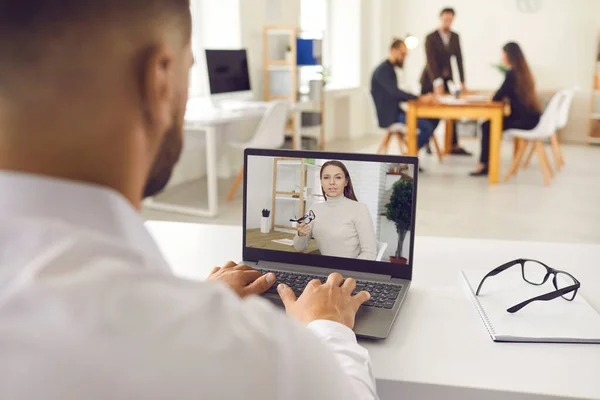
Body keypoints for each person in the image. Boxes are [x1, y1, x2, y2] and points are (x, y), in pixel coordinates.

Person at [0, 1, 377, 399]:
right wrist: (330, 327)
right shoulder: (266, 359)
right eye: (189, 68)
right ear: (159, 81)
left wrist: (202, 301)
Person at [470, 42, 542, 176]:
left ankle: (484, 164)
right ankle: (486, 163)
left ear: (509, 55)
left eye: (503, 53)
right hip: (532, 118)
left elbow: (497, 97)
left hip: (524, 121)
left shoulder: (511, 74)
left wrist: (500, 97)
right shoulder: (524, 72)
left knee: (487, 125)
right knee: (488, 125)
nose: (501, 56)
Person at [293, 161, 377, 261]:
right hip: (326, 271)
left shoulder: (360, 209)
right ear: (321, 181)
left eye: (338, 177)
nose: (332, 182)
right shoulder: (314, 210)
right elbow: (300, 248)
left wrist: (349, 272)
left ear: (346, 182)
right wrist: (300, 234)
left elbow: (370, 253)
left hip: (350, 273)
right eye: (326, 177)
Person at [371, 38, 436, 156]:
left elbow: (396, 93)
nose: (403, 58)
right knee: (427, 127)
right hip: (390, 116)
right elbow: (395, 92)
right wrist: (419, 98)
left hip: (395, 113)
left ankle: (410, 154)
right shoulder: (383, 70)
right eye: (402, 54)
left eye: (405, 55)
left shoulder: (390, 69)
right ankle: (409, 155)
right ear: (392, 51)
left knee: (430, 121)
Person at [420, 7, 471, 156]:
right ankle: (426, 143)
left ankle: (453, 145)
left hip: (447, 78)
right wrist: (437, 82)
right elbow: (431, 61)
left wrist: (462, 81)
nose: (447, 22)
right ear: (440, 19)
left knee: (453, 111)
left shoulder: (455, 37)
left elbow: (459, 59)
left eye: (450, 20)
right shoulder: (431, 37)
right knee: (429, 114)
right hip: (429, 80)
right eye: (445, 19)